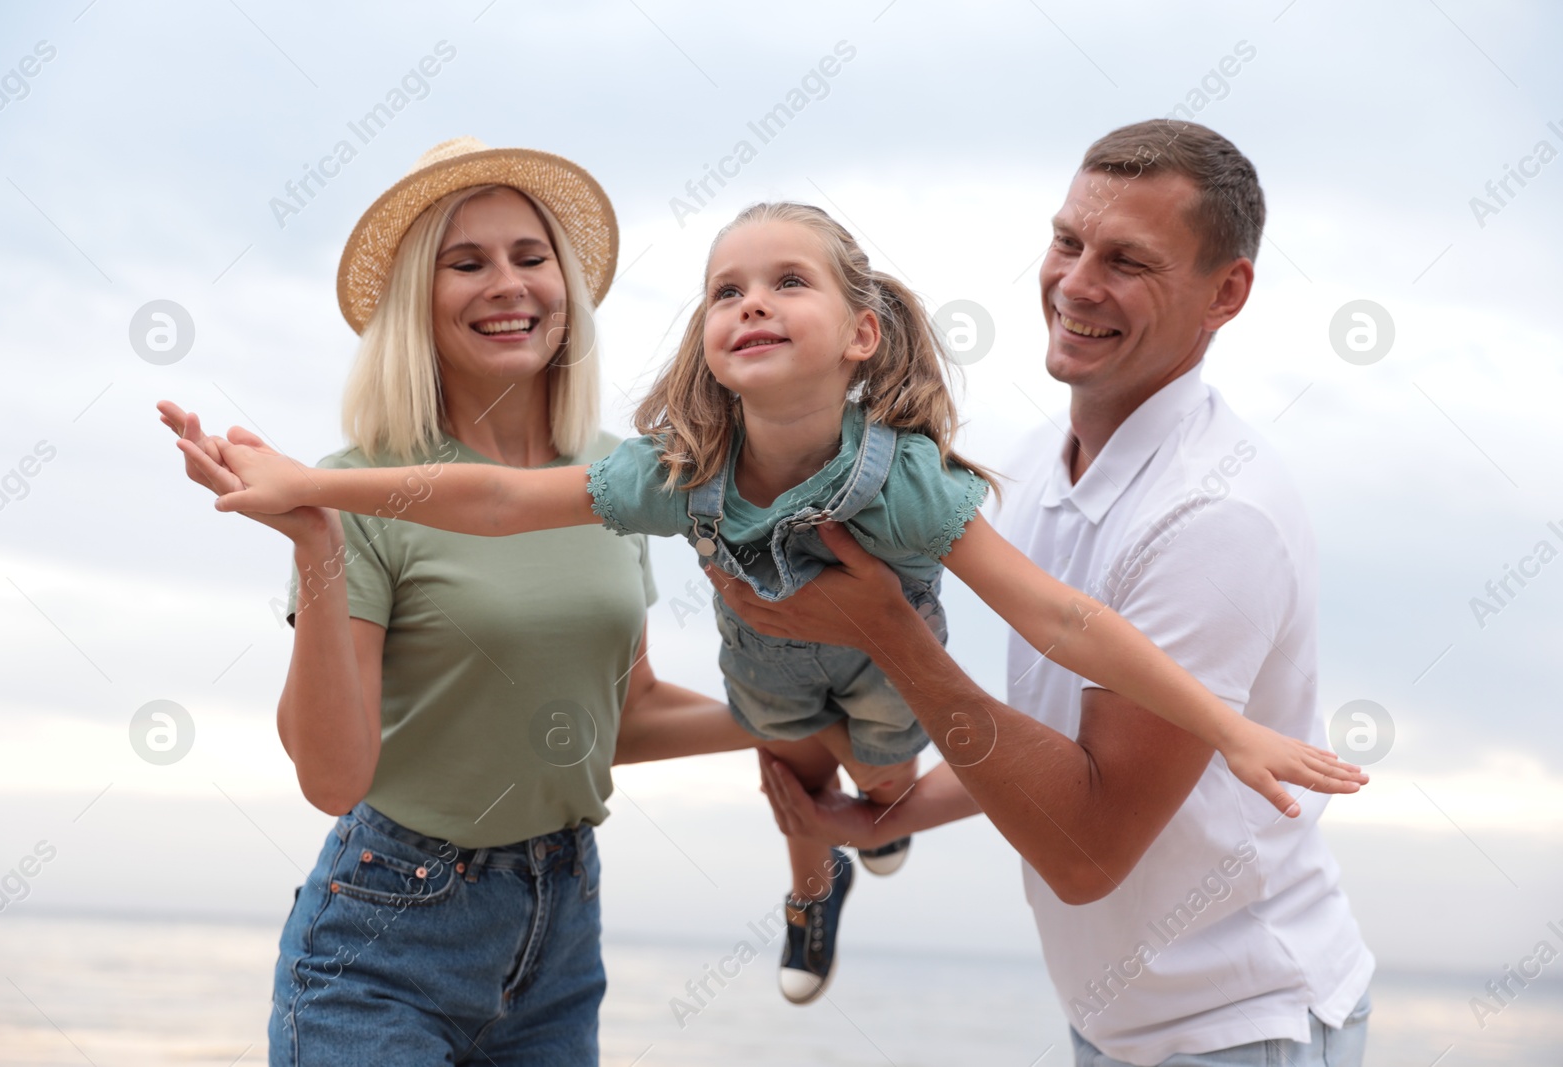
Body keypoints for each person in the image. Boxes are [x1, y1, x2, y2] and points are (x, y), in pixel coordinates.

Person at [188, 199, 1364, 1010]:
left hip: (888, 679)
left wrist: (1231, 726)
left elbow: (1063, 619)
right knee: (800, 791)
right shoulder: (678, 468)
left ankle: (882, 825)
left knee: (883, 786)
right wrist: (309, 485)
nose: (749, 302)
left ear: (861, 334)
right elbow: (493, 496)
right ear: (707, 339)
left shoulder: (906, 483)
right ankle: (814, 896)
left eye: (784, 282)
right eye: (724, 290)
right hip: (764, 682)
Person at [729, 120, 1376, 1066]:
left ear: (1225, 292)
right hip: (1113, 1023)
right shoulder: (1033, 468)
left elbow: (1084, 848)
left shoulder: (1215, 516)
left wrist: (887, 629)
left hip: (1240, 1023)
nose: (1075, 283)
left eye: (1128, 260)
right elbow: (1056, 757)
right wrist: (880, 818)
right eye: (1068, 240)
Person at [160, 137, 755, 1065]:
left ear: (565, 283)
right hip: (383, 942)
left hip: (562, 937)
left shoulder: (614, 477)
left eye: (530, 256)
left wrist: (791, 718)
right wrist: (317, 537)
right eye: (465, 263)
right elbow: (332, 777)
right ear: (416, 305)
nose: (507, 285)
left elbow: (624, 715)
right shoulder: (356, 487)